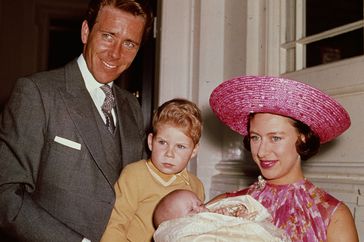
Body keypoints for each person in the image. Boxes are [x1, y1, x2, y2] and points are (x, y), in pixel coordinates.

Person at [0, 0, 153, 241]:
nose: (116, 53)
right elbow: (7, 196)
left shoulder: (131, 107)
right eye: (108, 36)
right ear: (85, 32)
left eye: (129, 43)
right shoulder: (37, 92)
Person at [208, 75, 359, 242]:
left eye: (275, 138)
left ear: (302, 138)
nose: (262, 152)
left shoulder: (333, 217)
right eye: (255, 137)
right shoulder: (225, 206)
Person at [100, 98, 205, 242]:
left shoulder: (195, 186)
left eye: (180, 147)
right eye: (162, 143)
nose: (169, 153)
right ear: (151, 141)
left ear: (193, 151)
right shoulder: (134, 175)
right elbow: (114, 225)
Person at [153, 189, 291, 242]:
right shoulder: (186, 234)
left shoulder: (212, 213)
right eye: (191, 210)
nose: (200, 209)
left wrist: (236, 216)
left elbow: (231, 224)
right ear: (176, 225)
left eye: (200, 203)